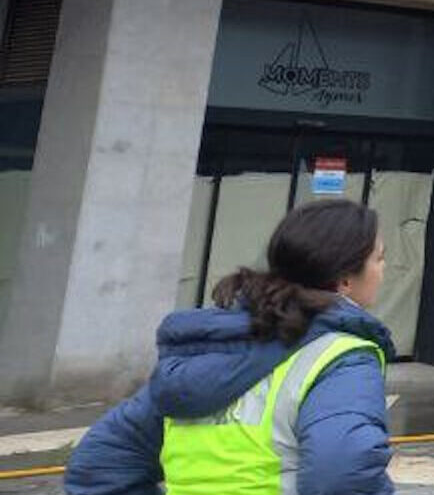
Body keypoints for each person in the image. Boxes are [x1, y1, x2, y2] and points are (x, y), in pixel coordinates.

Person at [65, 200, 394, 495]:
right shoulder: (341, 357)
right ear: (345, 280)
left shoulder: (202, 355)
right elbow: (341, 477)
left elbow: (99, 466)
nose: (384, 269)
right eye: (379, 259)